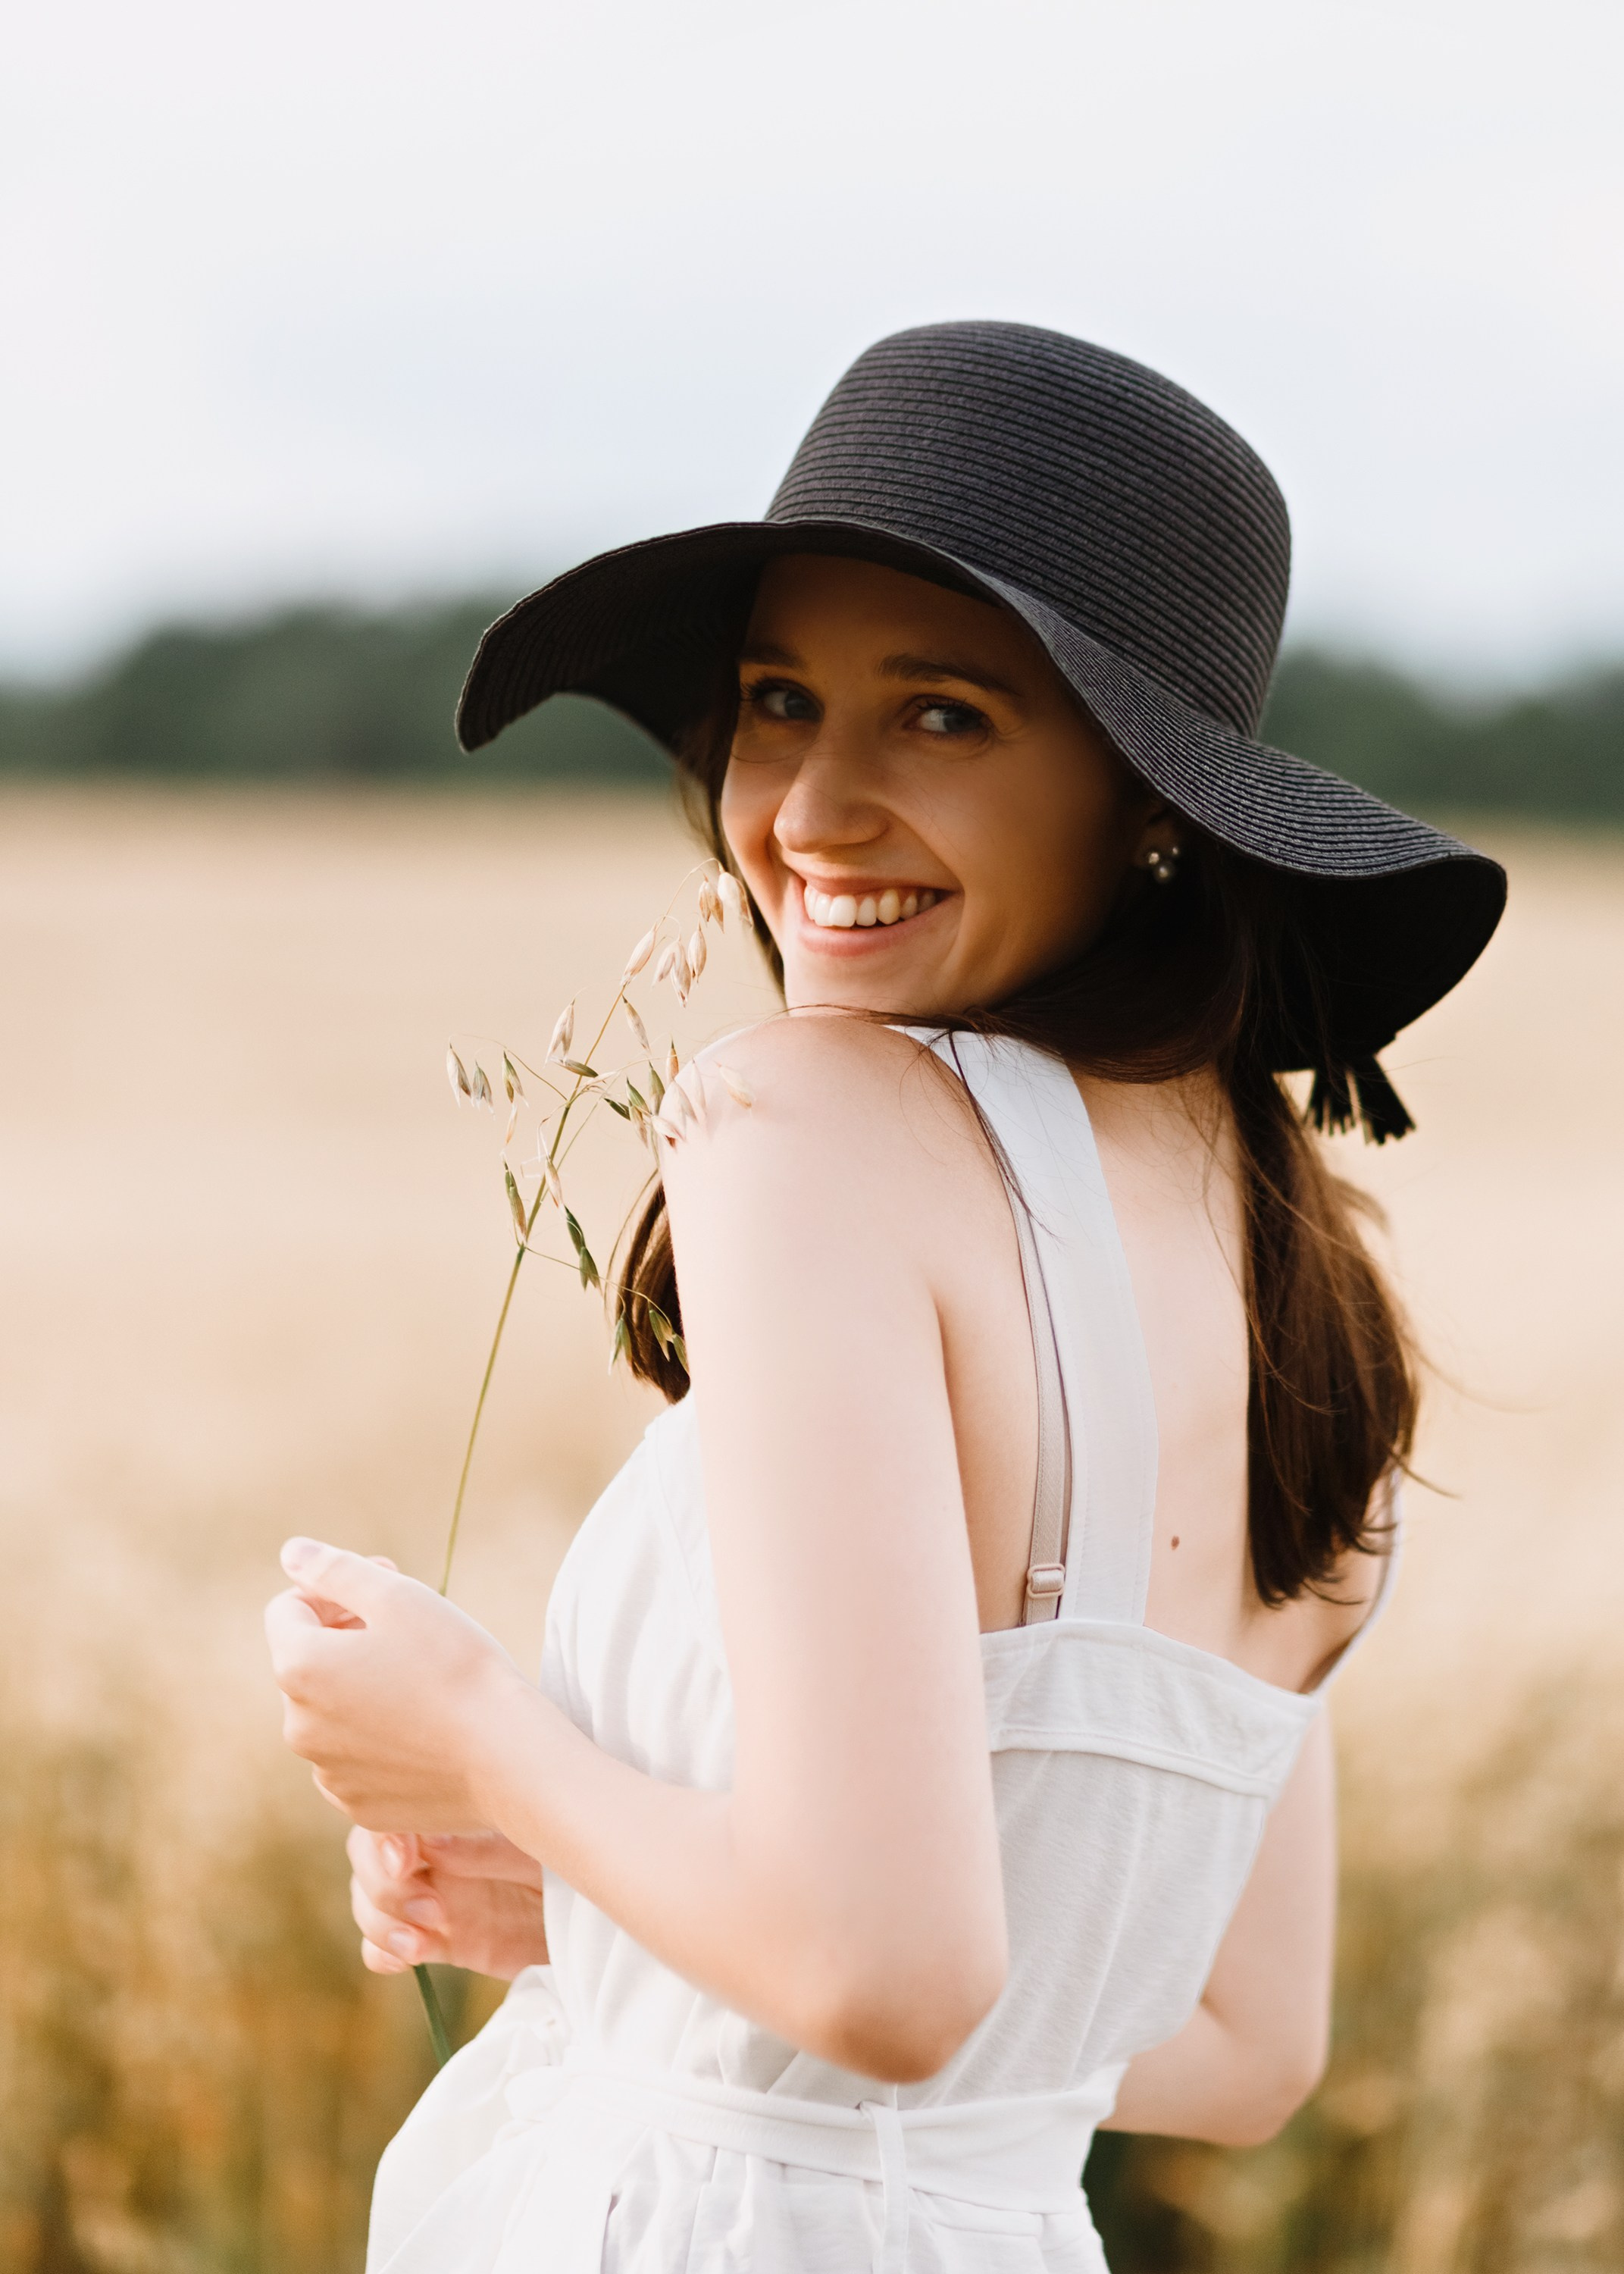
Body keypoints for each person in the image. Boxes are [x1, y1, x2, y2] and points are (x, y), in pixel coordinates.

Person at [265, 321, 1505, 2273]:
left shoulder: (804, 1118)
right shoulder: (1295, 1280)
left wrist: (474, 1731)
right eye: (779, 701)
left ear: (1149, 798)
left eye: (941, 715)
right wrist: (611, 1907)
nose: (809, 814)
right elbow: (1235, 2050)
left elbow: (888, 1973)